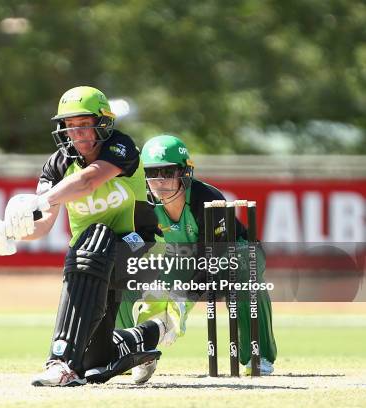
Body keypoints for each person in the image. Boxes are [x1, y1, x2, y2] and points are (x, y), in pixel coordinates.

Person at [0, 86, 167, 386]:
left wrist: (41, 201)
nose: (76, 133)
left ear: (102, 124)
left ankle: (62, 362)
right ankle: (148, 334)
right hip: (95, 262)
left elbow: (89, 180)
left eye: (84, 125)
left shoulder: (121, 147)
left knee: (94, 239)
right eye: (70, 125)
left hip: (142, 248)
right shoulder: (57, 165)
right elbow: (42, 225)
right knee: (96, 362)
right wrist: (11, 232)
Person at [117, 134, 278, 383]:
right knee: (123, 278)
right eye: (151, 173)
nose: (159, 181)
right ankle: (130, 352)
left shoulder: (207, 199)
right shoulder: (141, 204)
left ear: (184, 173)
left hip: (229, 256)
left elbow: (213, 258)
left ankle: (258, 356)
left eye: (167, 172)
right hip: (182, 259)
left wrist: (184, 298)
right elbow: (140, 248)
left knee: (246, 271)